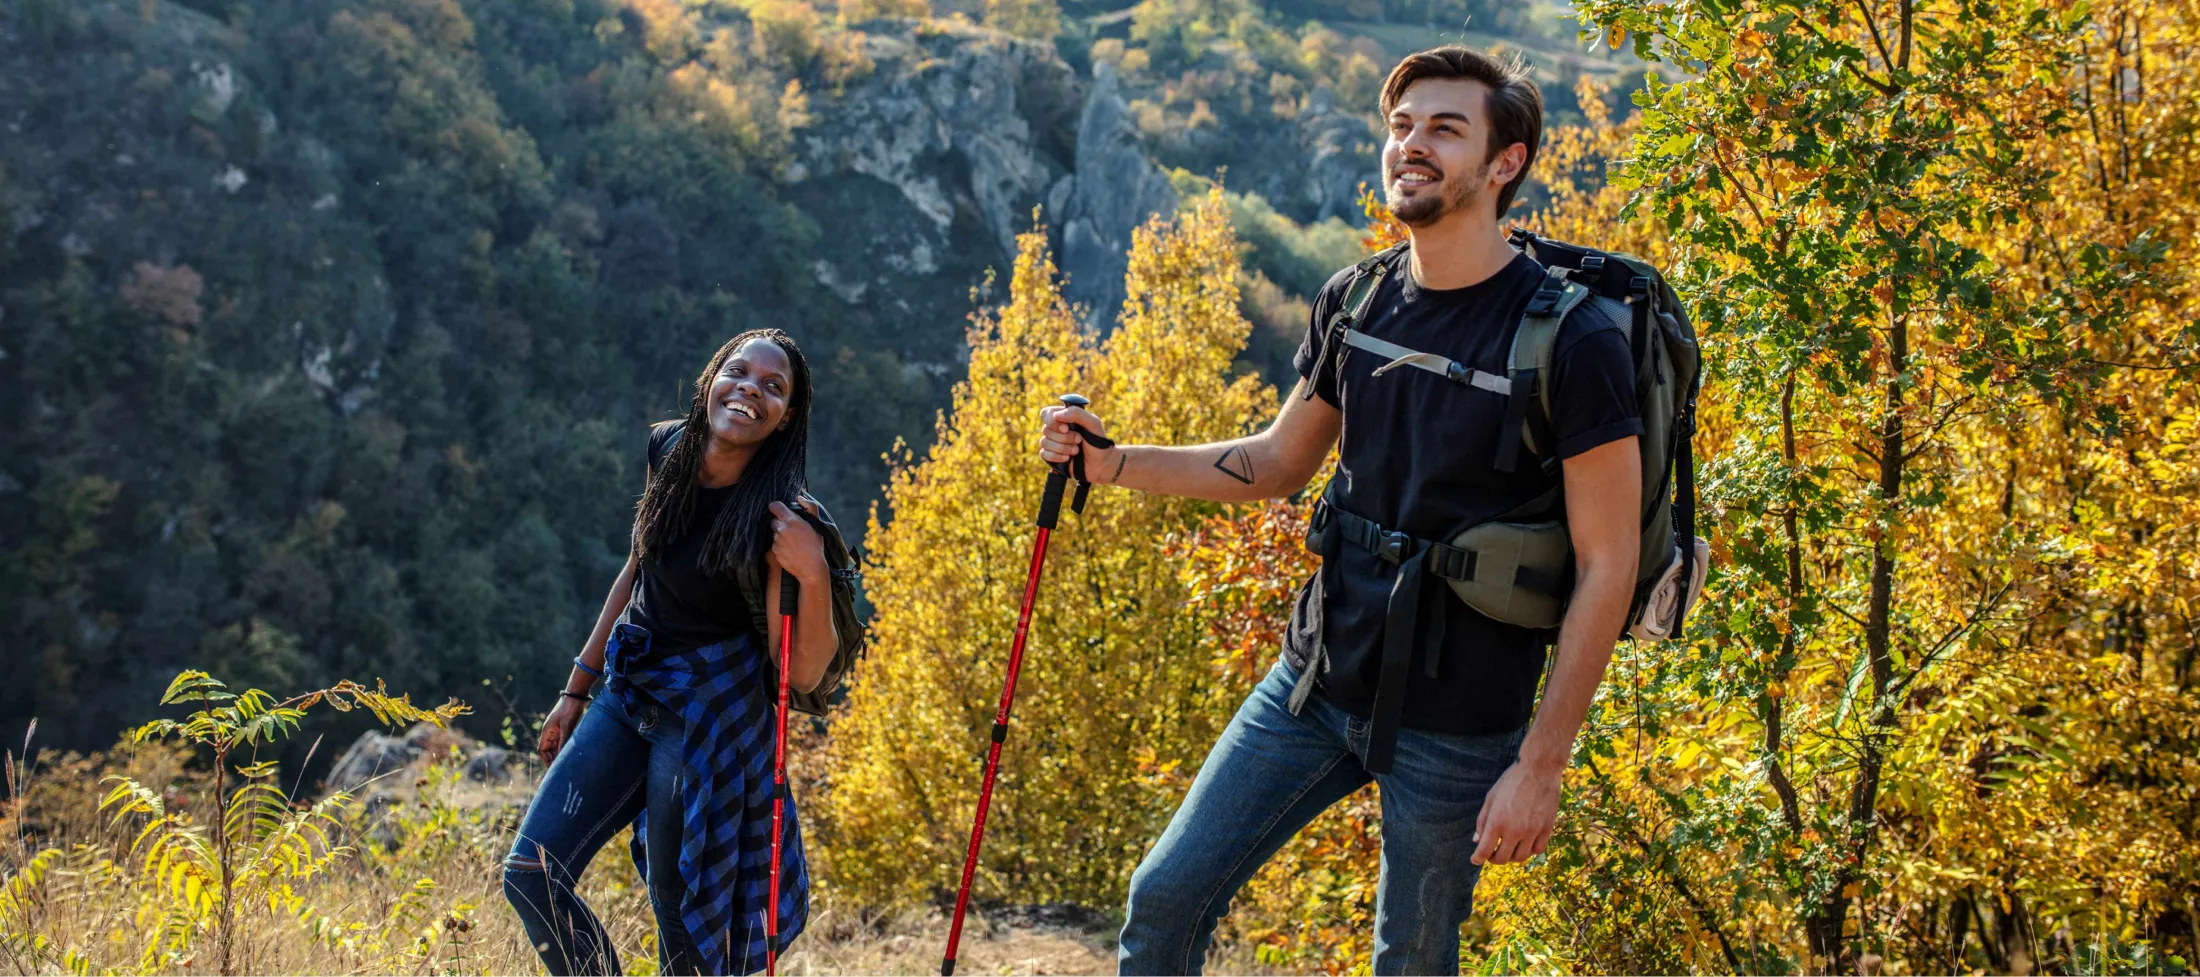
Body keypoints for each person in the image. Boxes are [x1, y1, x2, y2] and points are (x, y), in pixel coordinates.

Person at [1036, 46, 1644, 975]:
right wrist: (1110, 465)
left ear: (1504, 162)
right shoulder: (1356, 300)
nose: (1413, 145)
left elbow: (1610, 563)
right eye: (1402, 126)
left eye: (1446, 128)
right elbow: (1277, 462)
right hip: (1316, 682)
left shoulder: (1573, 338)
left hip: (1462, 718)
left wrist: (1543, 764)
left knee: (1411, 961)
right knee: (1164, 896)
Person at [504, 328, 841, 976]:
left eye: (773, 387)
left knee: (681, 921)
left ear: (787, 416)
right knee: (530, 871)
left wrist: (814, 571)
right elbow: (639, 565)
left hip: (706, 724)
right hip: (630, 692)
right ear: (712, 377)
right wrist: (577, 688)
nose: (750, 391)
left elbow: (799, 669)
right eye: (738, 373)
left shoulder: (779, 519)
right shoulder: (669, 448)